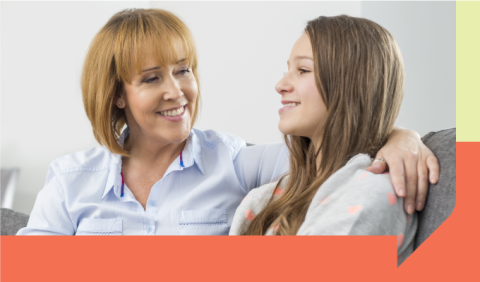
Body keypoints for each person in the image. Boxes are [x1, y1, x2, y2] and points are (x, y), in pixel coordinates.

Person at [18, 9, 437, 236]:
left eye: (183, 70)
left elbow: (335, 147)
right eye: (151, 78)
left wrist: (402, 137)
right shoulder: (70, 179)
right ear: (116, 96)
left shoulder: (235, 161)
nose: (176, 91)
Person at [229, 15, 418, 265]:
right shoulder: (269, 198)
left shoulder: (372, 194)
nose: (280, 84)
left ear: (350, 84)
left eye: (303, 70)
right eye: (287, 70)